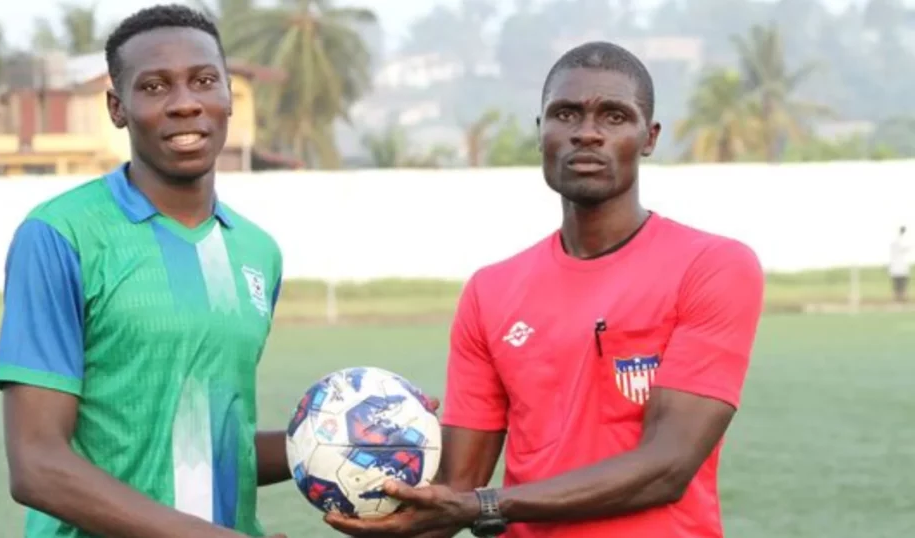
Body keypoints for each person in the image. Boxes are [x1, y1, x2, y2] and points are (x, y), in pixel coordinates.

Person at [325, 41, 765, 538]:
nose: (588, 134)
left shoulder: (712, 266)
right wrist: (379, 456)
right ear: (541, 133)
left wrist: (484, 505)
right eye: (566, 114)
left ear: (650, 137)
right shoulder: (490, 291)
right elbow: (454, 489)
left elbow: (668, 466)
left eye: (615, 117)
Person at [0, 6, 289, 538]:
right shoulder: (60, 235)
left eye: (204, 81)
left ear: (227, 98)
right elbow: (37, 463)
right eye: (154, 86)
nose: (185, 104)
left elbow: (206, 442)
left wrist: (335, 441)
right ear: (117, 107)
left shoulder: (256, 251)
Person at [889, 226, 910, 303]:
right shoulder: (900, 241)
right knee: (900, 286)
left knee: (899, 286)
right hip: (900, 268)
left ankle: (899, 301)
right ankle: (899, 300)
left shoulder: (896, 241)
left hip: (898, 268)